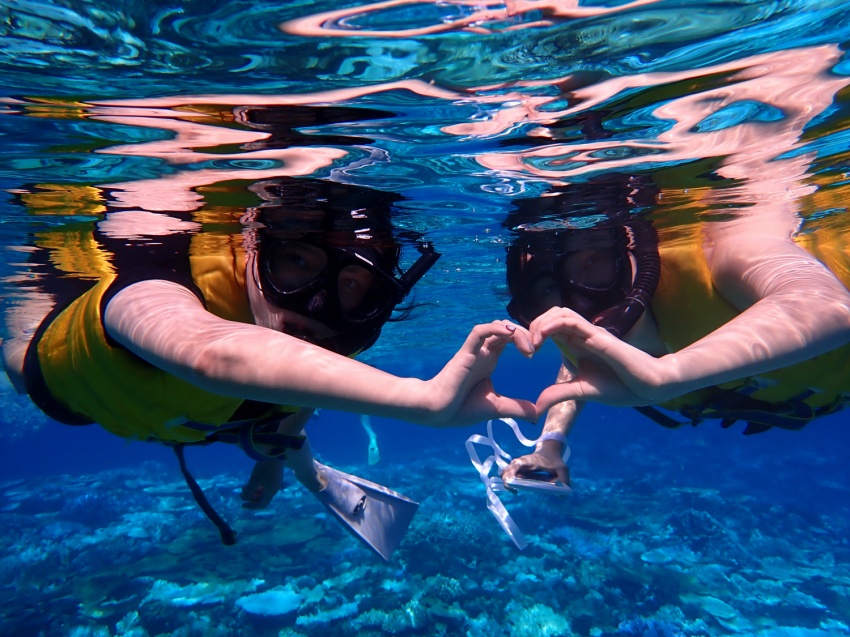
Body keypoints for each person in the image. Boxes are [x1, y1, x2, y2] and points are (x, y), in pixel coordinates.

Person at [1, 176, 537, 559]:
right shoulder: (151, 281)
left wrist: (273, 460)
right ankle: (293, 464)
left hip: (227, 417)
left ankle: (294, 468)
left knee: (278, 421)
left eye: (353, 287)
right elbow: (208, 351)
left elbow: (300, 390)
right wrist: (419, 398)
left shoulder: (324, 336)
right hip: (78, 387)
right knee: (21, 369)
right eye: (298, 264)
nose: (317, 305)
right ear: (254, 252)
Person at [499, 171, 850, 489]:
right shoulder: (580, 327)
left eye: (593, 263)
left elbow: (824, 305)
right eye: (544, 295)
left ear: (630, 256)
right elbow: (576, 367)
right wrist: (550, 447)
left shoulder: (726, 248)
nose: (581, 304)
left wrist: (669, 372)